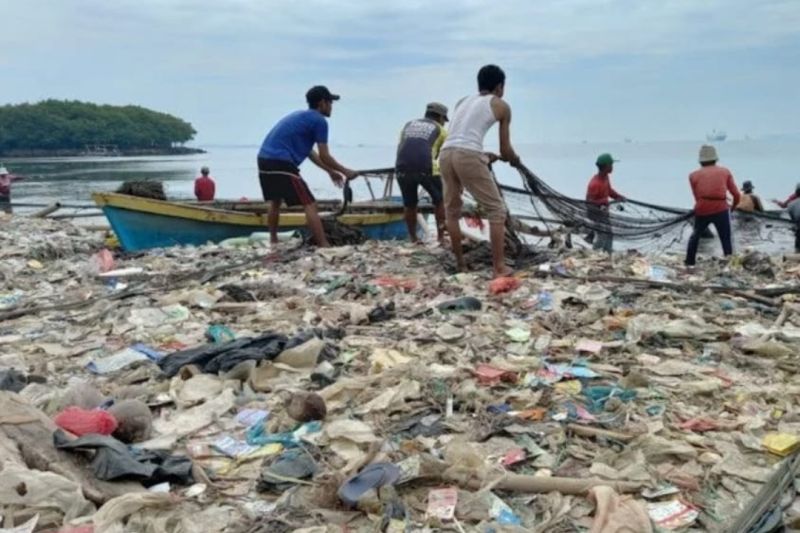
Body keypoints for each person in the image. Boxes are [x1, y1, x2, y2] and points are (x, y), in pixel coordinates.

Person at [439, 64, 521, 278]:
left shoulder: (462, 102)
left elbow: (461, 138)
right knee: (496, 210)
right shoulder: (502, 106)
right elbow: (506, 149)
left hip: (446, 154)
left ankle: (460, 264)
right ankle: (499, 267)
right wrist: (514, 159)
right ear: (500, 86)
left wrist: (485, 155)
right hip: (467, 155)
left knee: (452, 211)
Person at [257, 86, 356, 246]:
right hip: (281, 162)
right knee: (310, 204)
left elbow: (310, 153)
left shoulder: (300, 116)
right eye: (330, 102)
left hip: (264, 160)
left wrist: (330, 171)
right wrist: (346, 171)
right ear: (322, 103)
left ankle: (273, 241)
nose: (331, 107)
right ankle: (324, 245)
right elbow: (325, 155)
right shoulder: (319, 121)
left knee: (275, 201)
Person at [395, 102, 449, 244]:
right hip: (425, 167)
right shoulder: (440, 130)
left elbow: (402, 146)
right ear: (440, 117)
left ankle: (413, 238)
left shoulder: (408, 125)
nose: (444, 123)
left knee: (410, 204)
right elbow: (443, 156)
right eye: (444, 120)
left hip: (401, 167)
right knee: (440, 200)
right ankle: (441, 238)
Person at [685, 145, 741, 266]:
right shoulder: (725, 172)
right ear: (715, 159)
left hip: (702, 209)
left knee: (695, 236)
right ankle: (728, 263)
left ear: (701, 161)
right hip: (721, 208)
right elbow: (736, 194)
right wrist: (733, 208)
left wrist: (701, 206)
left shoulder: (693, 175)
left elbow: (697, 197)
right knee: (725, 238)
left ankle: (689, 263)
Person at [585, 153, 625, 253]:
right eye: (611, 165)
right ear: (606, 167)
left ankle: (608, 253)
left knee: (609, 234)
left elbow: (609, 190)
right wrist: (603, 201)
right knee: (602, 235)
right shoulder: (595, 183)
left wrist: (618, 196)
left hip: (604, 213)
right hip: (595, 214)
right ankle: (594, 254)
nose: (612, 167)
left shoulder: (606, 177)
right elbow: (589, 202)